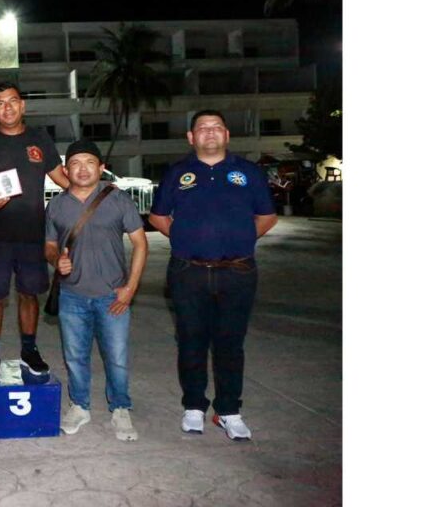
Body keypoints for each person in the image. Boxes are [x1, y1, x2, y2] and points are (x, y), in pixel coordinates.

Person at [148, 110, 277, 441]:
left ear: (227, 135)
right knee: (191, 340)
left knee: (230, 343)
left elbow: (267, 216)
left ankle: (228, 410)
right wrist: (186, 237)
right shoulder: (177, 173)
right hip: (188, 272)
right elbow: (158, 216)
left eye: (216, 127)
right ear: (191, 138)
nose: (210, 132)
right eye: (202, 128)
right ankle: (194, 405)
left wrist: (240, 239)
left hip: (238, 271)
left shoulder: (248, 172)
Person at [0, 82, 68, 383]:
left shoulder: (40, 139)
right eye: (0, 103)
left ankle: (29, 350)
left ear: (22, 106)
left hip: (32, 234)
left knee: (29, 294)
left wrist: (93, 192)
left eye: (12, 101)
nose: (7, 107)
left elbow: (61, 178)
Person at [45, 139, 148, 441]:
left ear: (101, 168)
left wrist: (130, 288)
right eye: (75, 163)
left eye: (90, 162)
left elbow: (140, 244)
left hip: (112, 295)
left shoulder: (118, 199)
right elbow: (49, 244)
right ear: (66, 170)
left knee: (116, 357)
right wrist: (56, 259)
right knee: (75, 357)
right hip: (71, 296)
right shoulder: (57, 205)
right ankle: (80, 406)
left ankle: (120, 408)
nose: (82, 169)